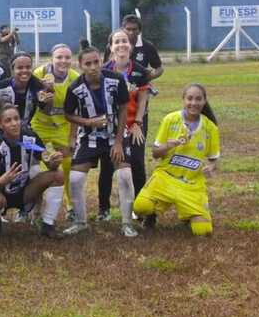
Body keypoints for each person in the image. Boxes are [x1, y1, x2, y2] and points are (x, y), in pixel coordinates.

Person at [63, 40, 137, 237]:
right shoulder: (74, 88)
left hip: (116, 135)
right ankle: (80, 221)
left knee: (124, 176)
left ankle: (127, 223)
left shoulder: (116, 79)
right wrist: (88, 123)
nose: (93, 67)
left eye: (96, 62)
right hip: (90, 137)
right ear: (80, 66)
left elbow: (123, 108)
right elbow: (68, 114)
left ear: (101, 61)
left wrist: (120, 141)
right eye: (88, 64)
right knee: (76, 178)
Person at [133, 84, 219, 236]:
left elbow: (213, 159)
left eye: (198, 99)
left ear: (204, 101)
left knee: (203, 231)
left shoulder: (210, 127)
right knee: (141, 207)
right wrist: (168, 145)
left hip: (191, 184)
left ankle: (189, 214)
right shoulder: (170, 120)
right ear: (183, 100)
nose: (193, 103)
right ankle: (151, 214)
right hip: (166, 178)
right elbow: (155, 153)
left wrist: (211, 167)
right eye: (190, 98)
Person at [0, 102, 65, 237]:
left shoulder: (30, 137)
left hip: (24, 191)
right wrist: (2, 181)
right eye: (8, 120)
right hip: (1, 194)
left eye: (16, 119)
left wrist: (54, 161)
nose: (14, 123)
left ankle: (48, 224)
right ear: (0, 125)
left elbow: (48, 163)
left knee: (58, 175)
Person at [97, 30, 151, 221]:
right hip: (111, 125)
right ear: (111, 47)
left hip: (134, 123)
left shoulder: (140, 71)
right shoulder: (103, 70)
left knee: (136, 163)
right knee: (107, 166)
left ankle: (139, 206)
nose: (121, 44)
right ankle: (103, 209)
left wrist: (137, 123)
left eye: (125, 41)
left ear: (130, 45)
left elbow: (143, 100)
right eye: (117, 41)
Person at [31, 44, 79, 222]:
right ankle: (33, 206)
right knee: (33, 164)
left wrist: (73, 136)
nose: (63, 61)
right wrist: (45, 91)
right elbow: (34, 101)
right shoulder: (39, 73)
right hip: (39, 124)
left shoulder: (75, 78)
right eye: (59, 57)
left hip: (62, 126)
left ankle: (70, 206)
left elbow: (77, 111)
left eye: (67, 57)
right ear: (51, 58)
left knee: (66, 164)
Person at [0, 52, 47, 126]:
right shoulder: (1, 86)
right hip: (2, 129)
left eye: (28, 67)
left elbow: (46, 109)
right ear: (12, 70)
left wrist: (48, 96)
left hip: (25, 129)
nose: (24, 70)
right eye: (20, 68)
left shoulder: (37, 86)